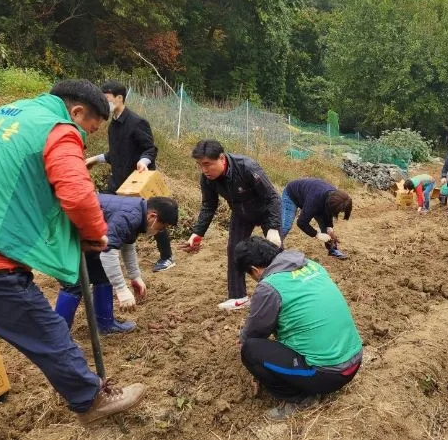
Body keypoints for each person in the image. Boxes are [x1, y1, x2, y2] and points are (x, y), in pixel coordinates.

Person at [0, 80, 146, 438]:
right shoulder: (58, 128)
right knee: (49, 333)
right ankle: (89, 398)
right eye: (89, 130)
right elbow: (78, 195)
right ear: (77, 112)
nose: (85, 139)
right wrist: (94, 235)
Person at [235, 237, 363, 420]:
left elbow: (255, 333)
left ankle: (300, 398)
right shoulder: (311, 265)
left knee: (251, 350)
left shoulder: (269, 286)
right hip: (354, 361)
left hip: (328, 374)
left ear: (255, 269)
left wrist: (242, 338)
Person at [180, 139, 282, 310]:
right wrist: (197, 233)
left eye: (207, 164)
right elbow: (208, 205)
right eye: (199, 165)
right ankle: (238, 296)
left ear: (221, 158)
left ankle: (283, 290)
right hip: (241, 213)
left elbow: (272, 198)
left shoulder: (247, 167)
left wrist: (272, 227)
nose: (204, 170)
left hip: (266, 211)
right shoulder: (207, 179)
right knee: (234, 249)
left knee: (274, 250)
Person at [86, 80, 175, 273]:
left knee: (155, 216)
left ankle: (167, 257)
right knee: (105, 209)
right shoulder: (112, 126)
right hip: (119, 181)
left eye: (107, 99)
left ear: (119, 98)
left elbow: (150, 149)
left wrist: (143, 161)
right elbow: (115, 154)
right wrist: (95, 159)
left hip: (138, 180)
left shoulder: (137, 122)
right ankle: (107, 248)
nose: (104, 103)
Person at [55, 195, 179, 334]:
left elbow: (127, 245)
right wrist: (121, 289)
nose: (160, 231)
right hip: (61, 233)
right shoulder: (128, 216)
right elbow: (108, 253)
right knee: (74, 283)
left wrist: (135, 277)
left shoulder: (137, 213)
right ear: (152, 216)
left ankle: (105, 324)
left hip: (81, 236)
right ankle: (58, 337)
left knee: (102, 274)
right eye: (162, 227)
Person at [281, 178, 352, 260]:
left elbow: (328, 213)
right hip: (291, 194)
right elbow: (301, 222)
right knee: (285, 226)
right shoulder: (314, 200)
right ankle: (274, 249)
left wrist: (330, 228)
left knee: (326, 227)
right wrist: (317, 235)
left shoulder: (335, 197)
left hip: (311, 196)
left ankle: (332, 249)